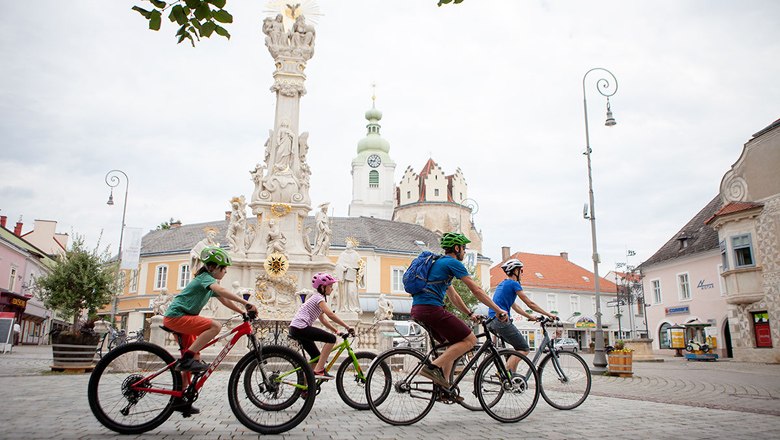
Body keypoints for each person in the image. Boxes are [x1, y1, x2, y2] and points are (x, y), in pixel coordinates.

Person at [163, 246, 257, 414]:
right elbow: (221, 290)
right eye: (224, 268)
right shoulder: (204, 278)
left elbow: (224, 300)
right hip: (177, 316)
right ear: (213, 268)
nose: (226, 272)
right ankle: (187, 358)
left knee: (194, 359)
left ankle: (180, 398)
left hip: (183, 318)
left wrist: (243, 312)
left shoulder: (208, 283)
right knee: (215, 326)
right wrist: (246, 303)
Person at [411, 232, 509, 388]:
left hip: (418, 309)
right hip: (431, 309)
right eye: (463, 248)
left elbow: (453, 296)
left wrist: (469, 313)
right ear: (457, 248)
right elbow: (476, 290)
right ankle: (432, 368)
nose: (464, 251)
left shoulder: (438, 264)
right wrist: (498, 310)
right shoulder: (452, 263)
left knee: (454, 343)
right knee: (470, 340)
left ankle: (444, 387)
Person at [489, 258, 558, 376]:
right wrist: (548, 314)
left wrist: (530, 316)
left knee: (517, 349)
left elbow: (515, 307)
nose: (522, 273)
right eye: (521, 270)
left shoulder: (504, 284)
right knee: (524, 349)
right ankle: (503, 372)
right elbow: (529, 303)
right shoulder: (514, 284)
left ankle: (512, 378)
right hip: (501, 321)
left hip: (492, 322)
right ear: (515, 271)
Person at [289, 273, 354, 380]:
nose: (332, 289)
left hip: (297, 328)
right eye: (330, 286)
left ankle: (304, 386)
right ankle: (319, 370)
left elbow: (323, 319)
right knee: (331, 339)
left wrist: (336, 330)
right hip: (300, 327)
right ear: (322, 287)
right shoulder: (318, 298)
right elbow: (330, 314)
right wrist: (347, 327)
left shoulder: (318, 298)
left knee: (315, 357)